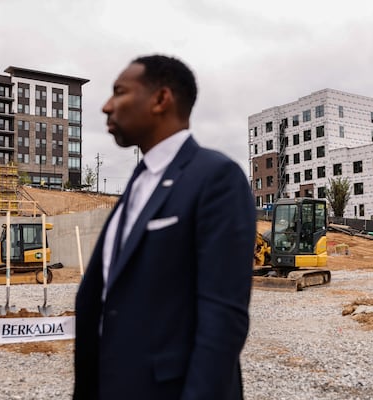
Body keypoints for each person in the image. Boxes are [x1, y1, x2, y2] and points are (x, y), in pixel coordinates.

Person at [74, 55, 256, 400]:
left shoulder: (216, 178)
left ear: (161, 99)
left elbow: (222, 318)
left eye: (119, 92)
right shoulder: (140, 182)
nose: (106, 106)